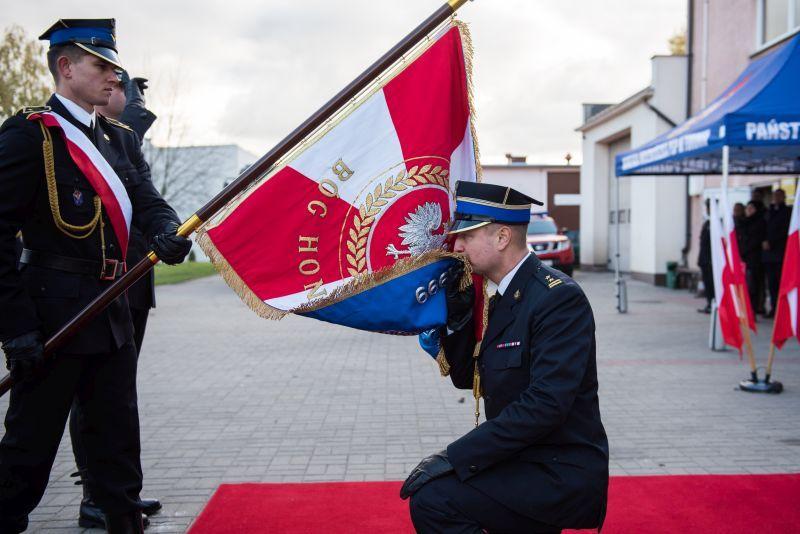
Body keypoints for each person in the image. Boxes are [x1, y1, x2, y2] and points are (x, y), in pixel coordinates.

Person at [0, 19, 191, 533]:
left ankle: (122, 523)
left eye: (114, 65)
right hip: (53, 317)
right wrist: (16, 327)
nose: (115, 77)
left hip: (112, 312)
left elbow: (148, 203)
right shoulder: (31, 134)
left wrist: (167, 231)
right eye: (101, 65)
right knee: (27, 450)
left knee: (118, 446)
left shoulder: (119, 138)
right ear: (66, 68)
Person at [401, 181, 609, 533]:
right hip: (522, 457)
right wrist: (458, 321)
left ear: (501, 238)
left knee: (435, 500)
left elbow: (545, 404)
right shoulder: (500, 297)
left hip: (558, 468)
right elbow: (467, 376)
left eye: (467, 235)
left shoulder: (556, 299)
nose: (458, 245)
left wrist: (454, 456)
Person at [68, 71, 162, 529]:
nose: (127, 98)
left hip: (130, 282)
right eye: (125, 89)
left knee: (117, 397)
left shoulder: (119, 140)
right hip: (86, 288)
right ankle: (95, 495)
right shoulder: (61, 138)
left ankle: (117, 493)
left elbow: (144, 197)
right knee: (88, 396)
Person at [763, 189, 792, 317]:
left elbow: (785, 230)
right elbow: (763, 228)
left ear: (784, 197)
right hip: (769, 256)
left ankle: (783, 310)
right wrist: (764, 240)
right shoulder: (769, 212)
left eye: (779, 195)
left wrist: (771, 241)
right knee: (772, 284)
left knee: (782, 283)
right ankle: (774, 308)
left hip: (781, 254)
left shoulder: (787, 212)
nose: (776, 197)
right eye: (775, 195)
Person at [740, 201, 766, 316]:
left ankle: (753, 310)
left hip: (754, 259)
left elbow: (757, 240)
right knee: (745, 285)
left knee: (753, 286)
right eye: (747, 208)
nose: (748, 210)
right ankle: (745, 309)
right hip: (743, 259)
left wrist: (745, 249)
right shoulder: (743, 223)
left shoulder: (760, 222)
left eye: (751, 208)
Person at [697, 199, 714, 314]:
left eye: (710, 208)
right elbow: (702, 243)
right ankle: (709, 303)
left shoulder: (716, 224)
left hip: (711, 261)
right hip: (704, 259)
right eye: (707, 208)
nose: (708, 210)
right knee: (707, 284)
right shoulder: (707, 223)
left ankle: (713, 303)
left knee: (712, 284)